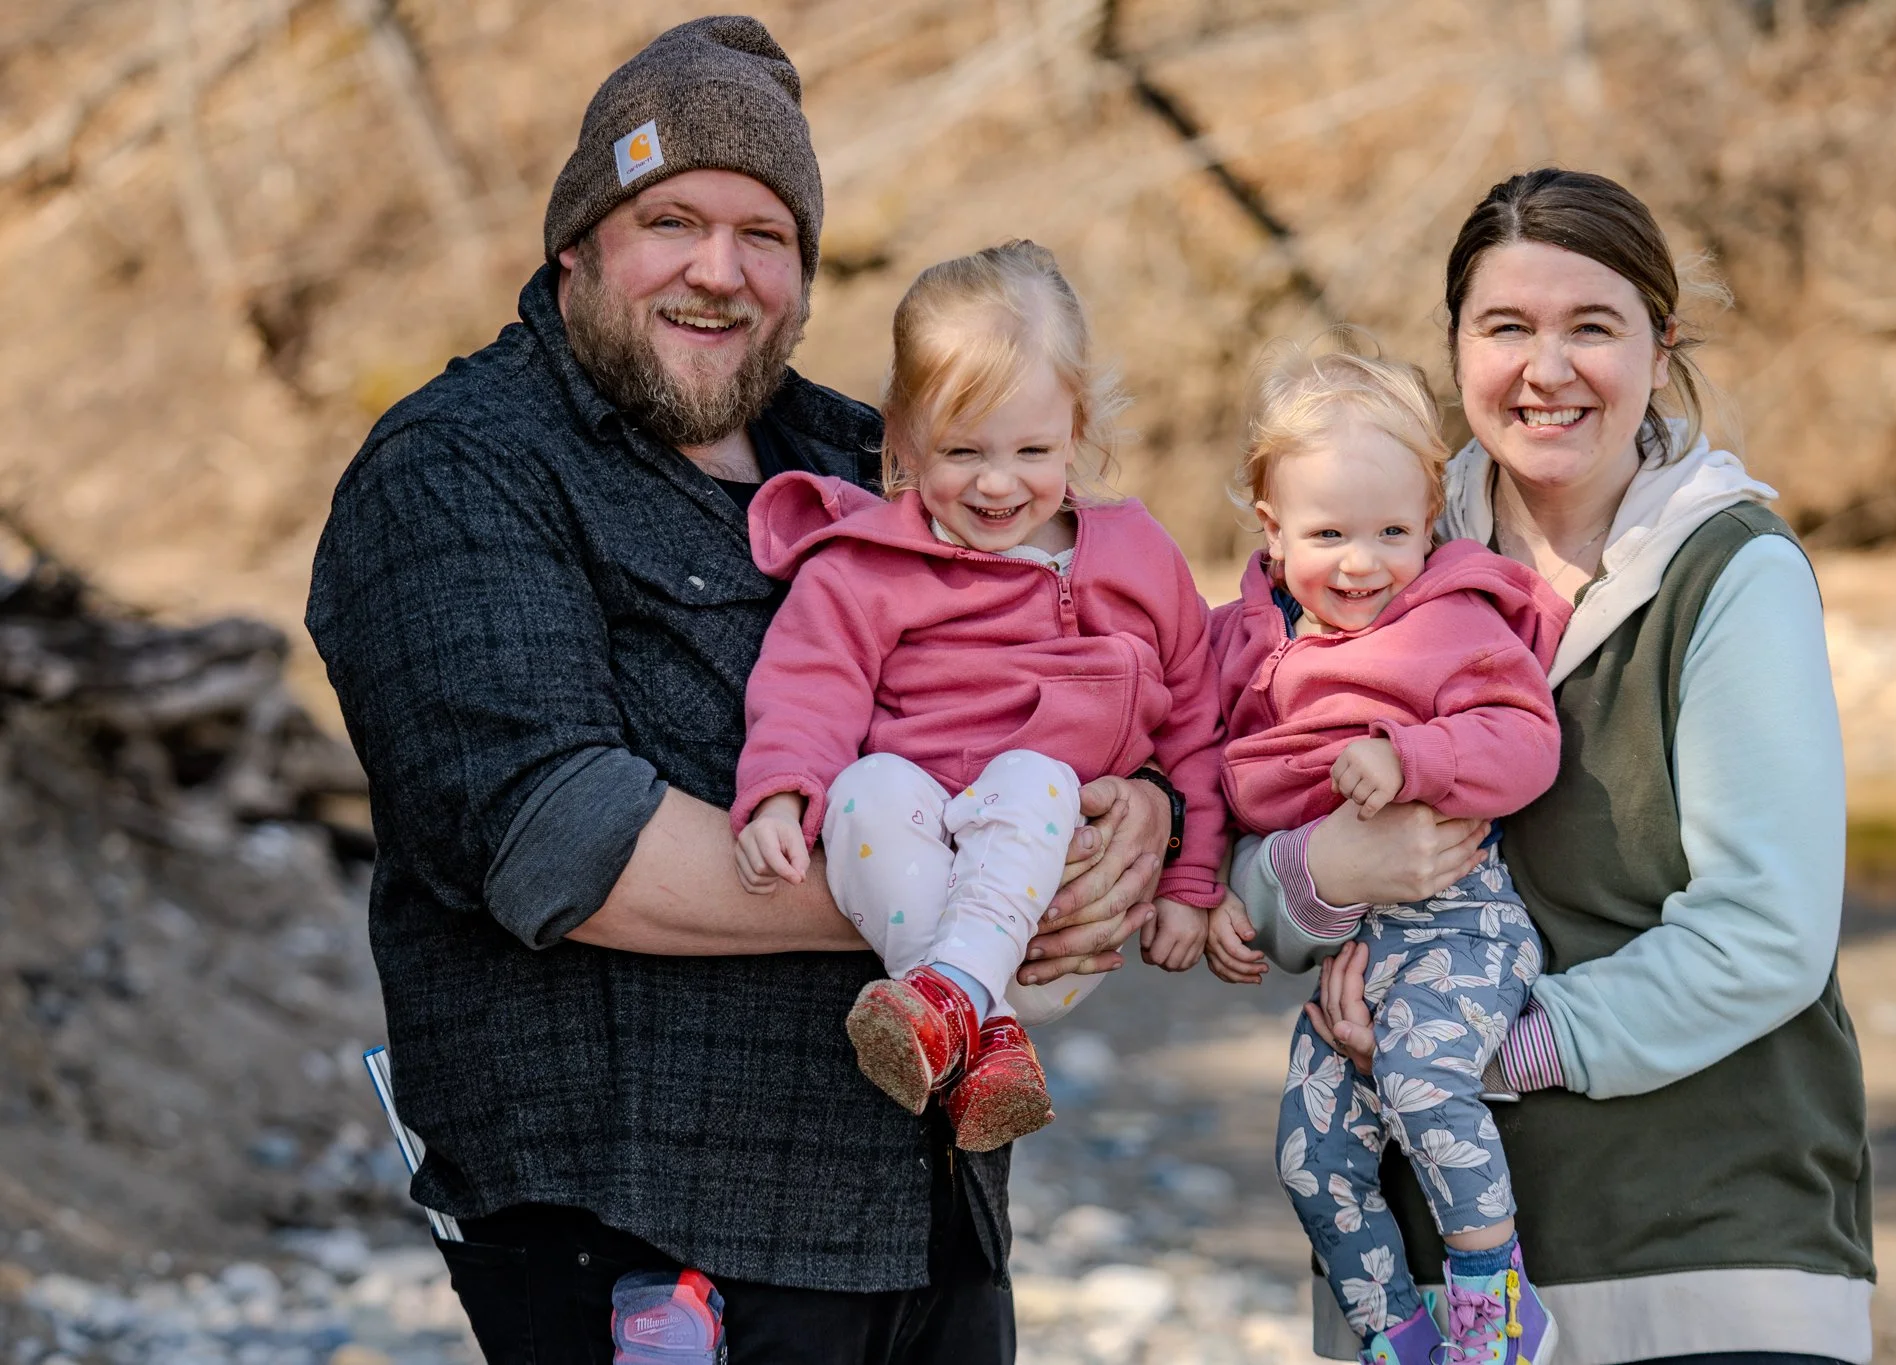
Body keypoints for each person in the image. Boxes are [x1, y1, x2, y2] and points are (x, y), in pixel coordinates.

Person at [305, 19, 1174, 1364]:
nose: (720, 270)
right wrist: (985, 897)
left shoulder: (866, 454)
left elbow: (1096, 647)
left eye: (765, 235)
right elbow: (553, 837)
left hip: (927, 1209)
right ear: (576, 241)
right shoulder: (456, 470)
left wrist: (1139, 813)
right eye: (671, 219)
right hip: (644, 1236)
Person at [1236, 168, 1873, 1365]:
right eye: (1505, 327)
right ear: (1455, 346)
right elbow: (1248, 858)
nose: (1546, 369)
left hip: (1707, 1250)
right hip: (1427, 1285)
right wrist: (1323, 870)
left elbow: (1765, 936)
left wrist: (1488, 1044)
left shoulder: (1728, 572)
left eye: (1592, 326)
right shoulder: (1370, 547)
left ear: (1657, 342)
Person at [731, 241, 1228, 1153]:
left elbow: (1198, 718)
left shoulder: (1139, 557)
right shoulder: (866, 567)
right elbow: (809, 686)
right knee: (868, 784)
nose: (999, 484)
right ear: (906, 435)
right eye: (963, 452)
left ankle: (962, 999)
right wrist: (780, 791)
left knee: (1038, 775)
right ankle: (979, 1028)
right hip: (905, 882)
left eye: (1032, 450)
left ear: (1078, 427)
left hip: (1062, 918)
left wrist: (1192, 879)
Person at [1203, 343, 1568, 1363]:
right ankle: (1394, 1336)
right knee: (1309, 1157)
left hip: (1462, 928)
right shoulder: (1246, 643)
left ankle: (1494, 1303)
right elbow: (1202, 769)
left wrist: (1412, 755)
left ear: (1429, 522)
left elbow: (1522, 741)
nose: (1361, 564)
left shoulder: (1449, 622)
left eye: (1391, 532)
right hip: (1349, 957)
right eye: (1327, 534)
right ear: (1271, 532)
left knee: (1417, 1080)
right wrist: (1209, 890)